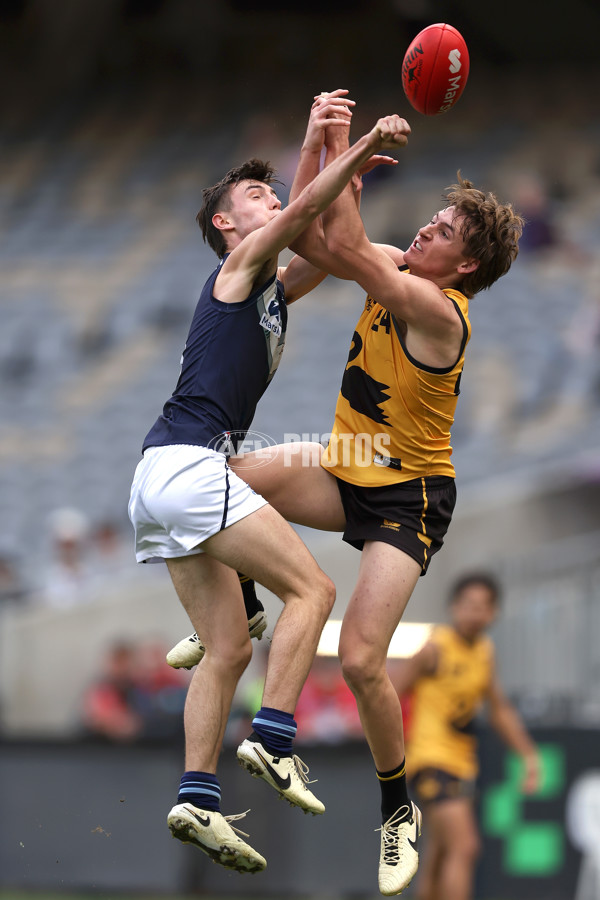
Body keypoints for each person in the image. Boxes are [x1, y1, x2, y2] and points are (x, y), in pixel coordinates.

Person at [167, 89, 525, 895]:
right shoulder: (399, 262)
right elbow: (323, 240)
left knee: (364, 658)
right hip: (350, 456)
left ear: (464, 265)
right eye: (429, 221)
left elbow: (347, 248)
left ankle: (397, 808)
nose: (426, 229)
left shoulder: (438, 309)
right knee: (215, 479)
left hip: (410, 493)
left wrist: (347, 156)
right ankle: (243, 611)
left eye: (442, 233)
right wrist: (329, 150)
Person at [127, 102, 412, 876]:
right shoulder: (238, 265)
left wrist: (324, 140)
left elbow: (322, 242)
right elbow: (310, 212)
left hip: (160, 476)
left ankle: (196, 797)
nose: (273, 198)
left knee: (224, 650)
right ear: (227, 224)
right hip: (191, 467)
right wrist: (350, 151)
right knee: (316, 593)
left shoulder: (270, 283)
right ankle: (275, 737)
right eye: (256, 196)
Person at [391, 572, 541, 900]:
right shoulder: (435, 649)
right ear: (453, 607)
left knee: (441, 853)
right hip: (431, 760)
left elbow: (499, 709)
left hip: (461, 763)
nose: (475, 613)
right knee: (466, 846)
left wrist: (528, 754)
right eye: (468, 605)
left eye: (482, 606)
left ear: (494, 612)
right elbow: (388, 692)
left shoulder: (485, 652)